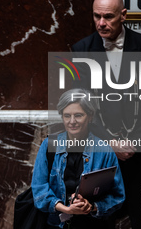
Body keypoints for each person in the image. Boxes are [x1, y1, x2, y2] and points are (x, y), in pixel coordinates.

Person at [71, 0, 141, 229]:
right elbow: (81, 105)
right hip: (100, 152)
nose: (101, 23)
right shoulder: (80, 49)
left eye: (108, 17)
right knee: (100, 217)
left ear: (123, 15)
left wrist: (133, 142)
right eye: (96, 16)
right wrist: (110, 142)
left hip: (139, 151)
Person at [31, 88, 125, 229]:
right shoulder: (49, 145)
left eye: (79, 115)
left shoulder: (104, 150)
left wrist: (92, 207)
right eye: (67, 115)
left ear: (90, 116)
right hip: (56, 224)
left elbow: (117, 196)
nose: (72, 121)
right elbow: (39, 189)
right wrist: (65, 209)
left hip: (93, 225)